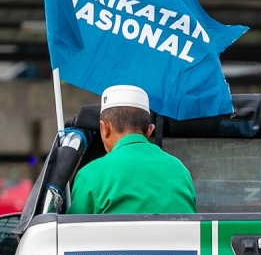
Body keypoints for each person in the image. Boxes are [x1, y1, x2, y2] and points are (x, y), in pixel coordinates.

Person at [67, 85, 196, 215]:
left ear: (104, 128)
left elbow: (71, 232)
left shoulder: (89, 175)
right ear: (150, 130)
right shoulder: (181, 171)